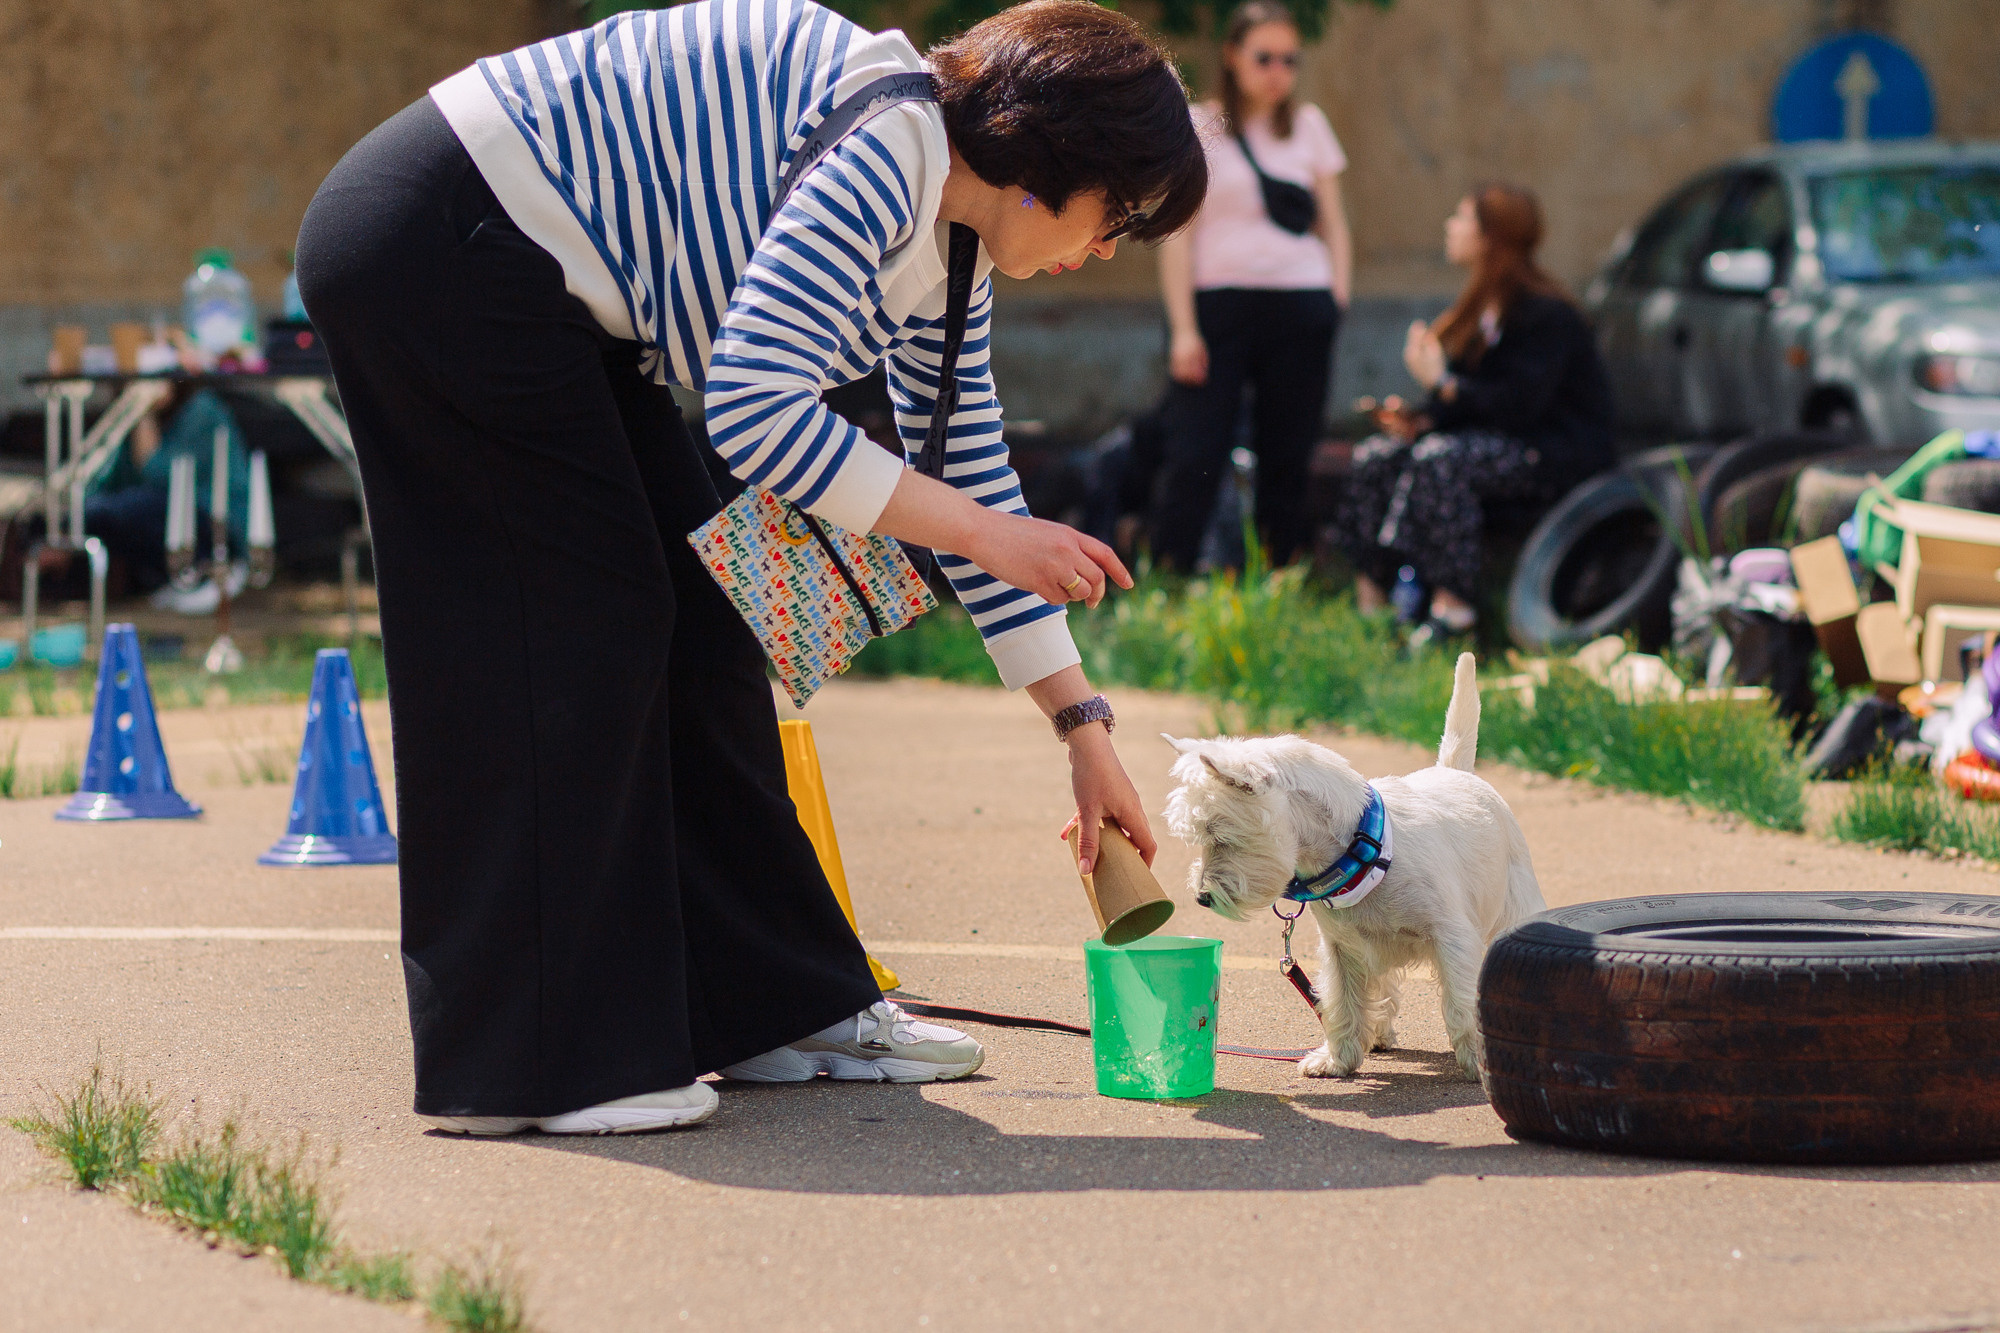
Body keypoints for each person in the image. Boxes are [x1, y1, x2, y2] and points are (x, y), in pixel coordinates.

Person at [295, 0, 1204, 1136]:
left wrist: (1081, 727)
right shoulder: (888, 150)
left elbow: (964, 463)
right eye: (1114, 213)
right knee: (576, 626)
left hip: (542, 287)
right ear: (1046, 166)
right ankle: (536, 1064)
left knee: (700, 613)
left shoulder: (952, 227)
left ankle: (773, 1004)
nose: (1105, 248)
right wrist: (979, 535)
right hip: (441, 242)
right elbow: (756, 412)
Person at [1338, 184, 1614, 640]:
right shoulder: (1480, 310)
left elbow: (1518, 407)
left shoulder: (1546, 314)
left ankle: (1454, 611)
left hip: (1553, 454)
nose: (1450, 227)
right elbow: (1472, 405)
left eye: (1461, 218)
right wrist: (1420, 420)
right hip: (1502, 445)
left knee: (1442, 460)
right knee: (1376, 456)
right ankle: (1373, 608)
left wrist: (1442, 383)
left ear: (1490, 236)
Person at [1150, 0, 1352, 570]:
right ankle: (1169, 581)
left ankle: (1278, 580)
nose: (1278, 72)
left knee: (1289, 452)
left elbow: (1334, 224)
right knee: (1196, 450)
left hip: (1301, 306)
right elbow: (1177, 234)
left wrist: (1335, 297)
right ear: (1233, 56)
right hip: (1219, 308)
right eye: (1265, 57)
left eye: (1290, 59)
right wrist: (1184, 328)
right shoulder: (1198, 126)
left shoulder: (1309, 126)